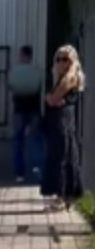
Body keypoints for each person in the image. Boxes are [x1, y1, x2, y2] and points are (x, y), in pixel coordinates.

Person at [40, 44, 85, 212]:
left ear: (72, 61)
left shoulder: (70, 78)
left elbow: (53, 99)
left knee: (62, 159)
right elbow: (51, 99)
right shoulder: (60, 78)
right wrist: (51, 98)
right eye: (58, 59)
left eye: (65, 59)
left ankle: (62, 196)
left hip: (63, 122)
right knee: (63, 158)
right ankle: (65, 196)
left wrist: (51, 98)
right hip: (58, 121)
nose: (61, 63)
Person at [8, 45, 44, 183]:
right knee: (35, 140)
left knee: (18, 141)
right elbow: (39, 87)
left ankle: (19, 173)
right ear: (31, 56)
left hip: (19, 110)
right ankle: (37, 170)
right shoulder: (37, 72)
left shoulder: (14, 72)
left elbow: (11, 87)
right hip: (34, 110)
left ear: (22, 55)